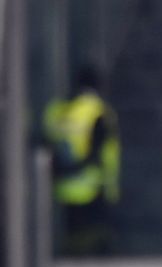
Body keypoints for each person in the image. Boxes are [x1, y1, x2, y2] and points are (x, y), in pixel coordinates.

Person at [42, 65, 121, 256]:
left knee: (72, 240)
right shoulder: (97, 111)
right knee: (94, 239)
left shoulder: (58, 110)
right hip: (92, 187)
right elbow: (97, 152)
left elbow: (47, 143)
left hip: (60, 188)